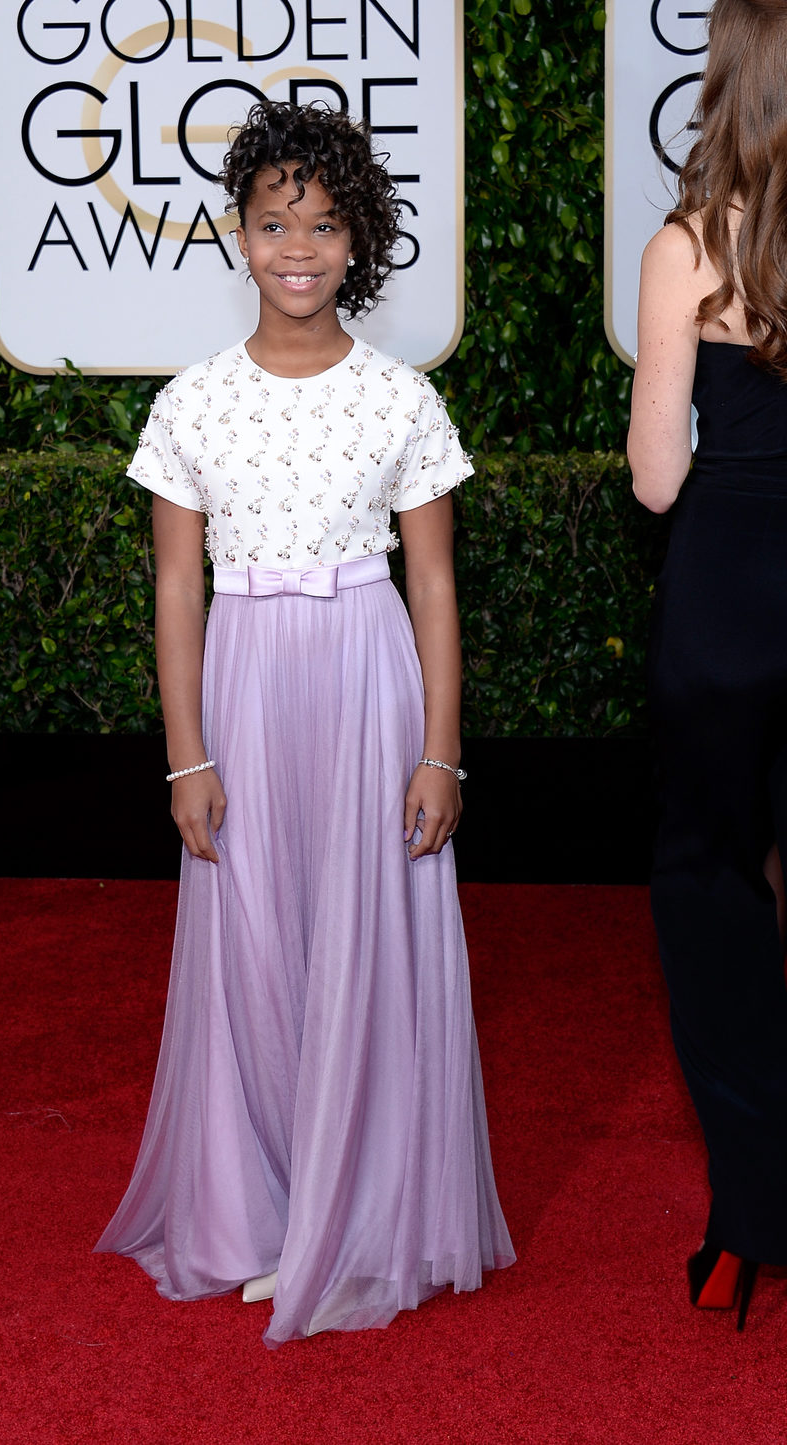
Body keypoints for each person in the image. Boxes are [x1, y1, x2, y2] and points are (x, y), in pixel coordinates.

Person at [95, 100, 514, 1346]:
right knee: (256, 940)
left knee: (367, 937)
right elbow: (178, 586)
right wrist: (187, 753)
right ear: (240, 231)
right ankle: (266, 1210)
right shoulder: (192, 401)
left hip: (368, 675)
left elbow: (434, 585)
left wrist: (440, 749)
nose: (297, 246)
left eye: (324, 225)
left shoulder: (399, 398)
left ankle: (365, 1209)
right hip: (244, 681)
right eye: (275, 220)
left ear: (358, 242)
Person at [628, 0, 787, 1331]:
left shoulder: (685, 246)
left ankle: (750, 1214)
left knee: (708, 885)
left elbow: (655, 473)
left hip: (728, 602)